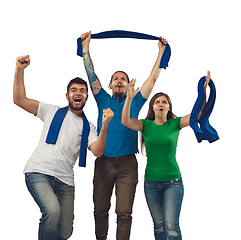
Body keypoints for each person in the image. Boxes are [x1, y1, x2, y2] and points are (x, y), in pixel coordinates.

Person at [13, 54, 114, 240]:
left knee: (65, 231)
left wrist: (105, 125)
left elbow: (98, 151)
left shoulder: (89, 127)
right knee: (52, 211)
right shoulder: (50, 111)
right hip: (39, 172)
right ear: (67, 95)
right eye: (74, 90)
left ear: (86, 97)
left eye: (83, 91)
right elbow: (19, 99)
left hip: (65, 181)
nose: (78, 93)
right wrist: (19, 70)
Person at [79, 31, 168, 240]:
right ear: (109, 85)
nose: (119, 80)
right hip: (103, 162)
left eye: (123, 79)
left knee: (124, 213)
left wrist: (161, 54)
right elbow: (91, 74)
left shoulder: (135, 100)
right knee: (100, 211)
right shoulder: (102, 99)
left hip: (128, 163)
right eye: (116, 79)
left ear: (128, 84)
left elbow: (153, 78)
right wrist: (86, 49)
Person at [121, 71, 211, 240]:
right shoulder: (145, 125)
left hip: (173, 183)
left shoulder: (175, 124)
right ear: (152, 107)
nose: (160, 104)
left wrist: (203, 91)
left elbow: (198, 114)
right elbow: (125, 121)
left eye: (164, 102)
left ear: (169, 107)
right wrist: (129, 97)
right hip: (151, 184)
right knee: (159, 227)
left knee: (172, 227)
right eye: (157, 102)